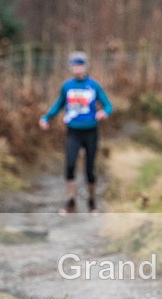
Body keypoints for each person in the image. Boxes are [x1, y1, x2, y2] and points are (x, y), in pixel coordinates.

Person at [39, 51, 113, 214]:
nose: (78, 69)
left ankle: (92, 202)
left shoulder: (93, 85)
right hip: (73, 132)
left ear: (85, 67)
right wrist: (46, 117)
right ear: (71, 68)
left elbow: (108, 105)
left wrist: (104, 113)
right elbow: (59, 104)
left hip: (90, 132)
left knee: (89, 169)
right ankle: (70, 202)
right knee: (70, 165)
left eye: (80, 66)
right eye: (75, 66)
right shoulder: (67, 86)